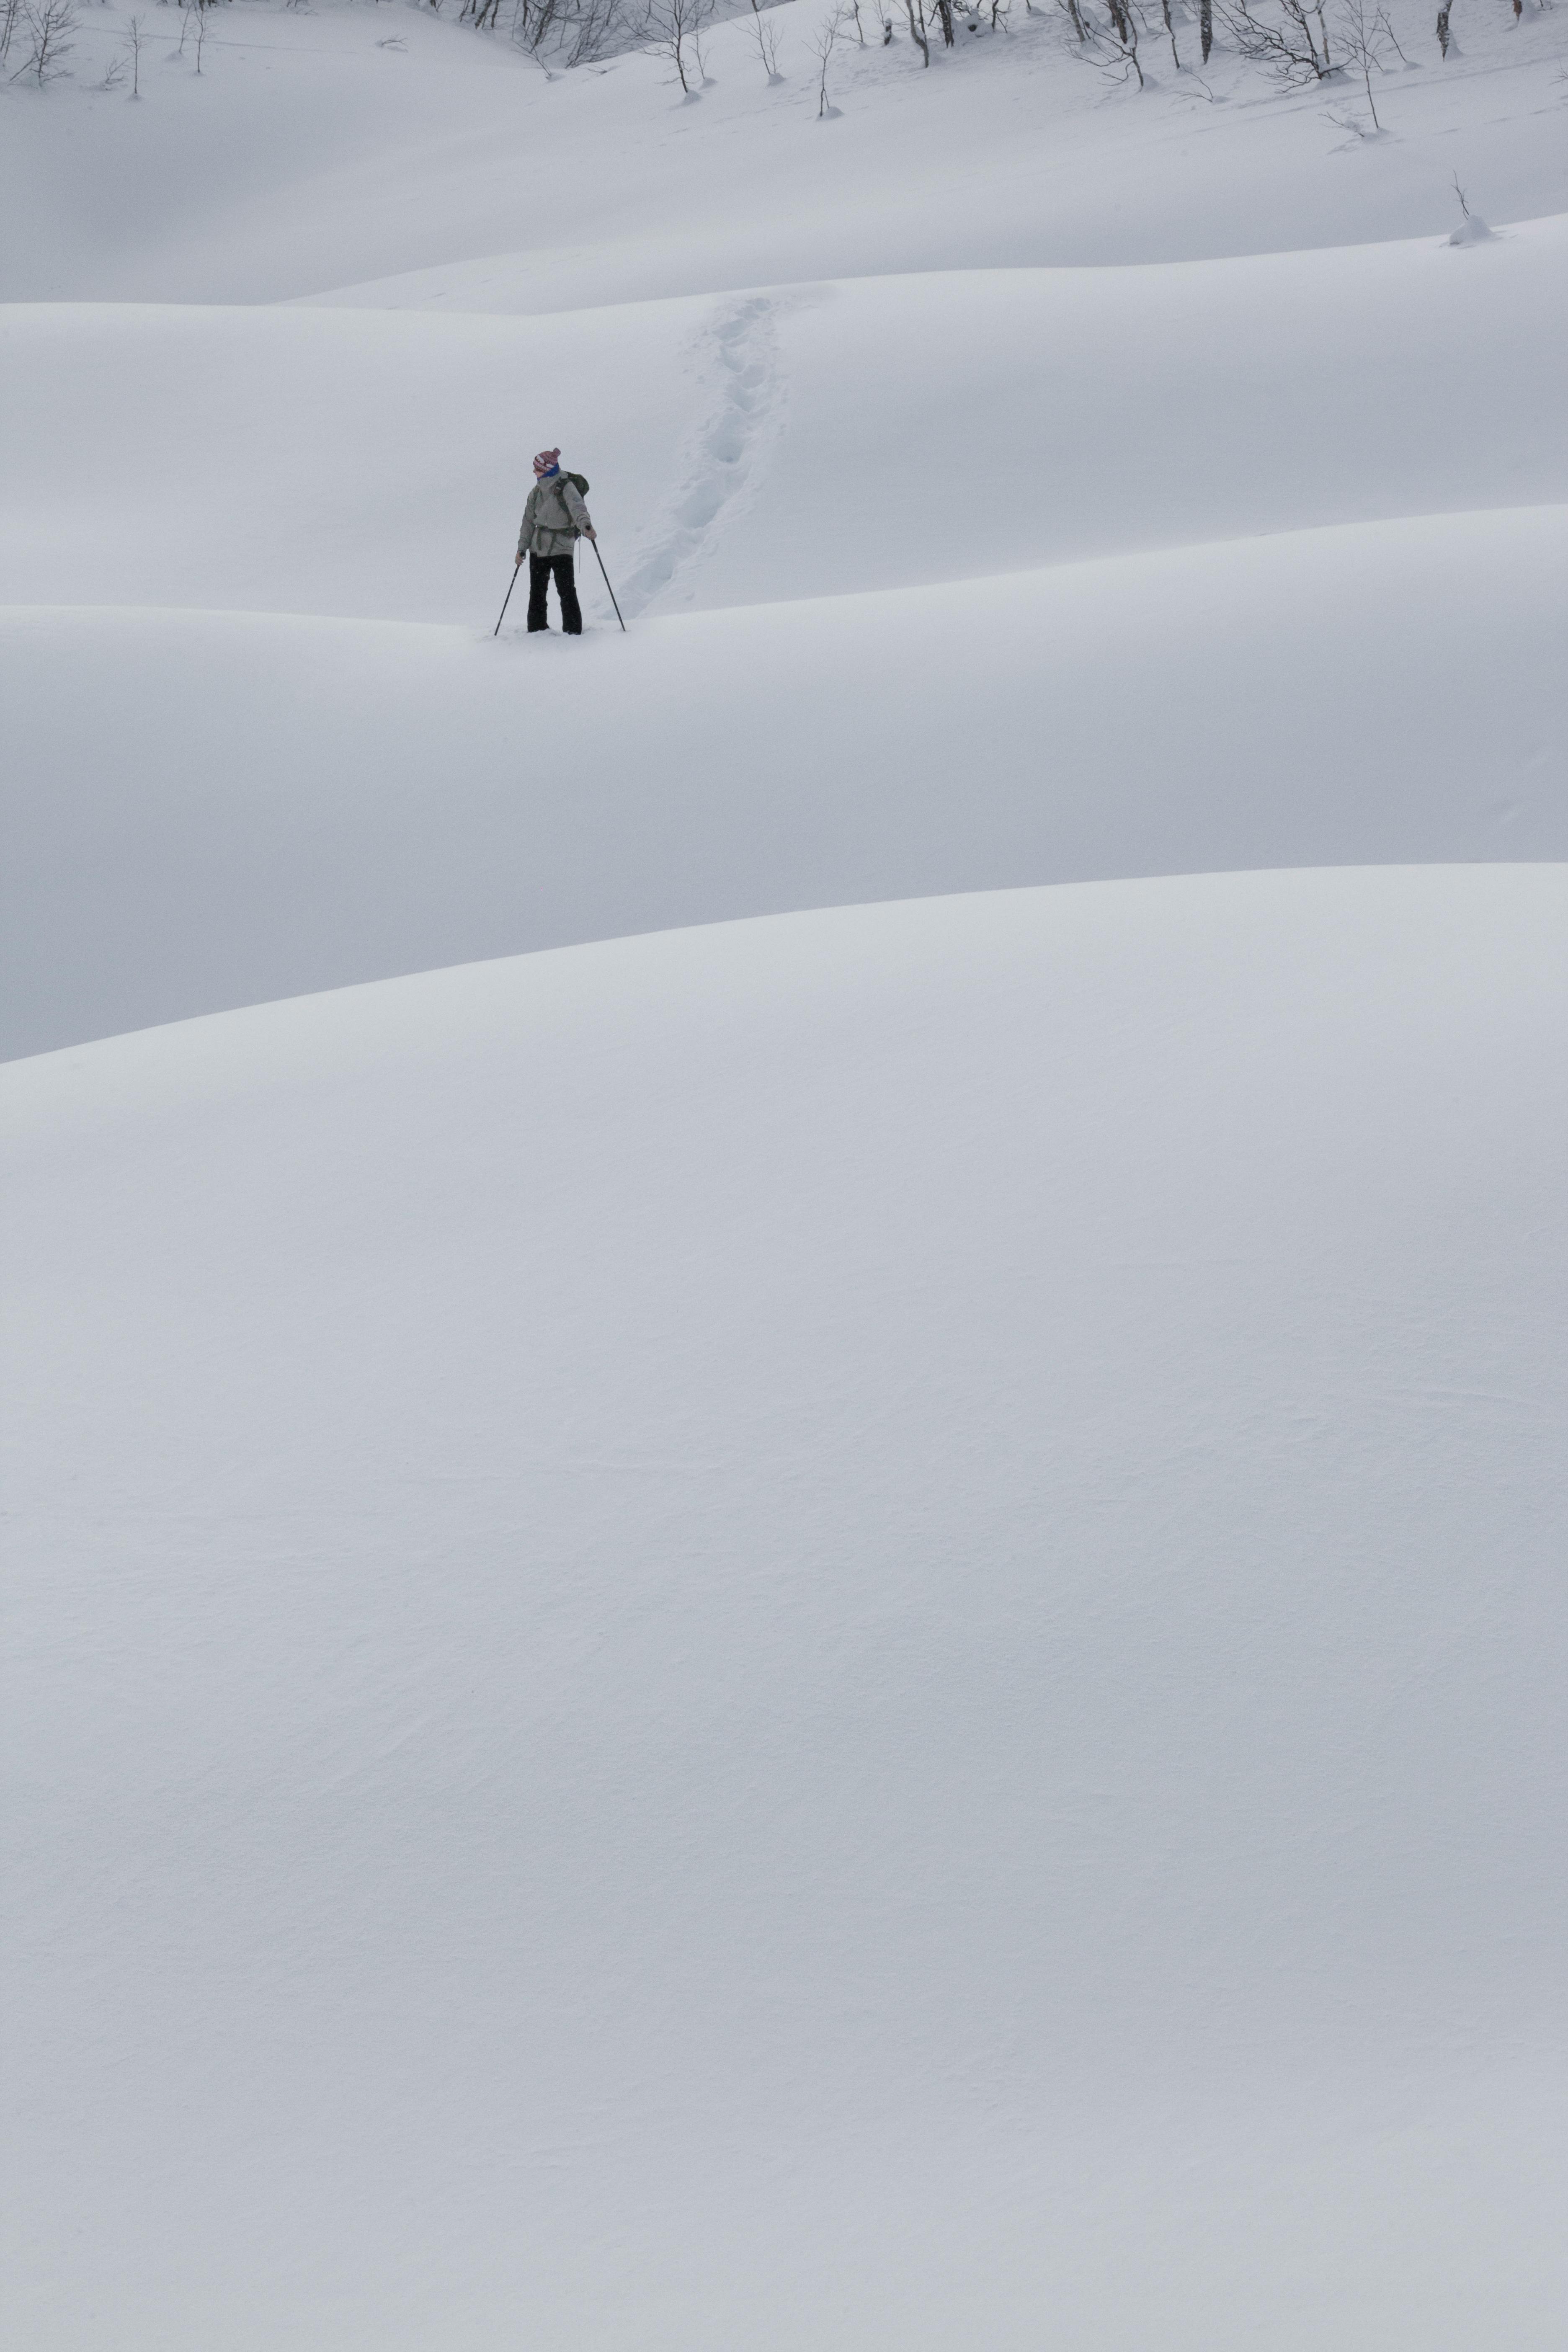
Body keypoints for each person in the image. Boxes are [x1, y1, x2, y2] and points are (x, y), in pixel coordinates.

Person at [515, 449, 595, 635]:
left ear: (547, 470)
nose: (534, 472)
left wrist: (586, 527)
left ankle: (573, 631)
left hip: (562, 546)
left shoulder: (566, 487)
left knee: (566, 591)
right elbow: (527, 522)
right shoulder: (535, 493)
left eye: (537, 469)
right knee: (537, 592)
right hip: (538, 548)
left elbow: (578, 509)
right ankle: (536, 630)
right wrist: (521, 549)